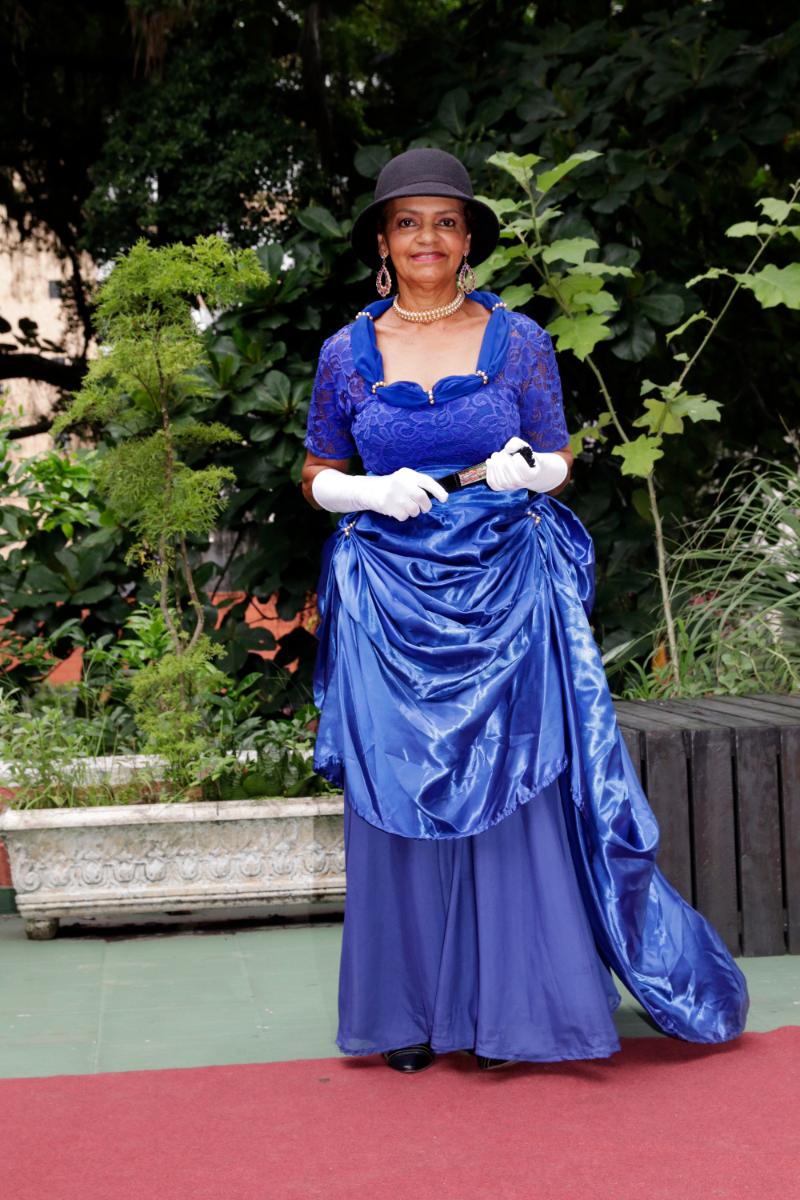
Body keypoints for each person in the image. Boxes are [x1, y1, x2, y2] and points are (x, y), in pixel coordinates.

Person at [300, 147, 749, 1073]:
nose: (428, 238)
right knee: (396, 789)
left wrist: (529, 473)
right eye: (408, 223)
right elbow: (316, 469)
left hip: (506, 585)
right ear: (382, 241)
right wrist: (366, 493)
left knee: (515, 785)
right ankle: (407, 1015)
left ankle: (514, 1012)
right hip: (387, 599)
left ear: (469, 238)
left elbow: (559, 456)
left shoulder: (524, 340)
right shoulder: (344, 352)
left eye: (446, 222)